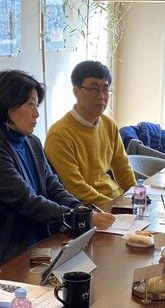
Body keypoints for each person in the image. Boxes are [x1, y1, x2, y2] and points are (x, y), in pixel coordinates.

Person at [0, 69, 114, 263]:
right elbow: (28, 201)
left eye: (36, 104)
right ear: (8, 106)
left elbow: (53, 186)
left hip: (43, 240)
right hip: (11, 251)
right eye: (30, 104)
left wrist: (82, 210)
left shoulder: (31, 142)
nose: (37, 113)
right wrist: (78, 218)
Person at [44, 60, 137, 206]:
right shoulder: (59, 135)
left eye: (105, 89)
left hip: (117, 201)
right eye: (94, 89)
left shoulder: (108, 124)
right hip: (90, 210)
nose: (101, 96)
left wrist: (137, 197)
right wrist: (115, 207)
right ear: (76, 91)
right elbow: (75, 188)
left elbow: (123, 168)